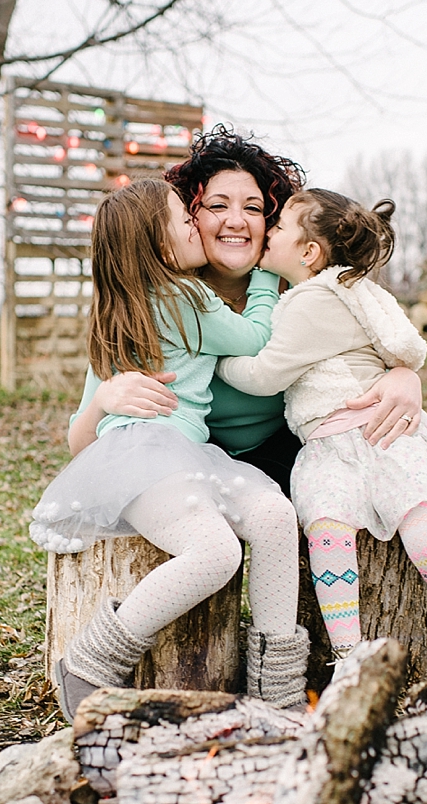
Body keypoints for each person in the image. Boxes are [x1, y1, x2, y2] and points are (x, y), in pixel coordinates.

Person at [31, 180, 308, 717]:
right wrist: (269, 277)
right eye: (190, 219)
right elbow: (256, 340)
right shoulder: (187, 297)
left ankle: (278, 692)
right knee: (218, 552)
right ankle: (89, 661)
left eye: (252, 208)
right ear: (162, 247)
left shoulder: (127, 305)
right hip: (150, 456)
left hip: (179, 456)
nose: (197, 227)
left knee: (275, 513)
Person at [216, 189, 427, 657]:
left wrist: (218, 360)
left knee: (351, 537)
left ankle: (362, 654)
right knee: (381, 532)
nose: (270, 231)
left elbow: (265, 375)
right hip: (364, 440)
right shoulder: (347, 290)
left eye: (279, 226)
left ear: (308, 252)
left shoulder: (312, 302)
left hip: (354, 436)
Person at [69, 125, 423, 489]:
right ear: (186, 220)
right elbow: (80, 445)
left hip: (297, 455)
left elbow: (374, 349)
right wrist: (104, 399)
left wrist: (404, 376)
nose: (236, 221)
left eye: (252, 208)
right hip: (191, 457)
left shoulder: (304, 295)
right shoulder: (158, 307)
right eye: (217, 206)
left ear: (272, 223)